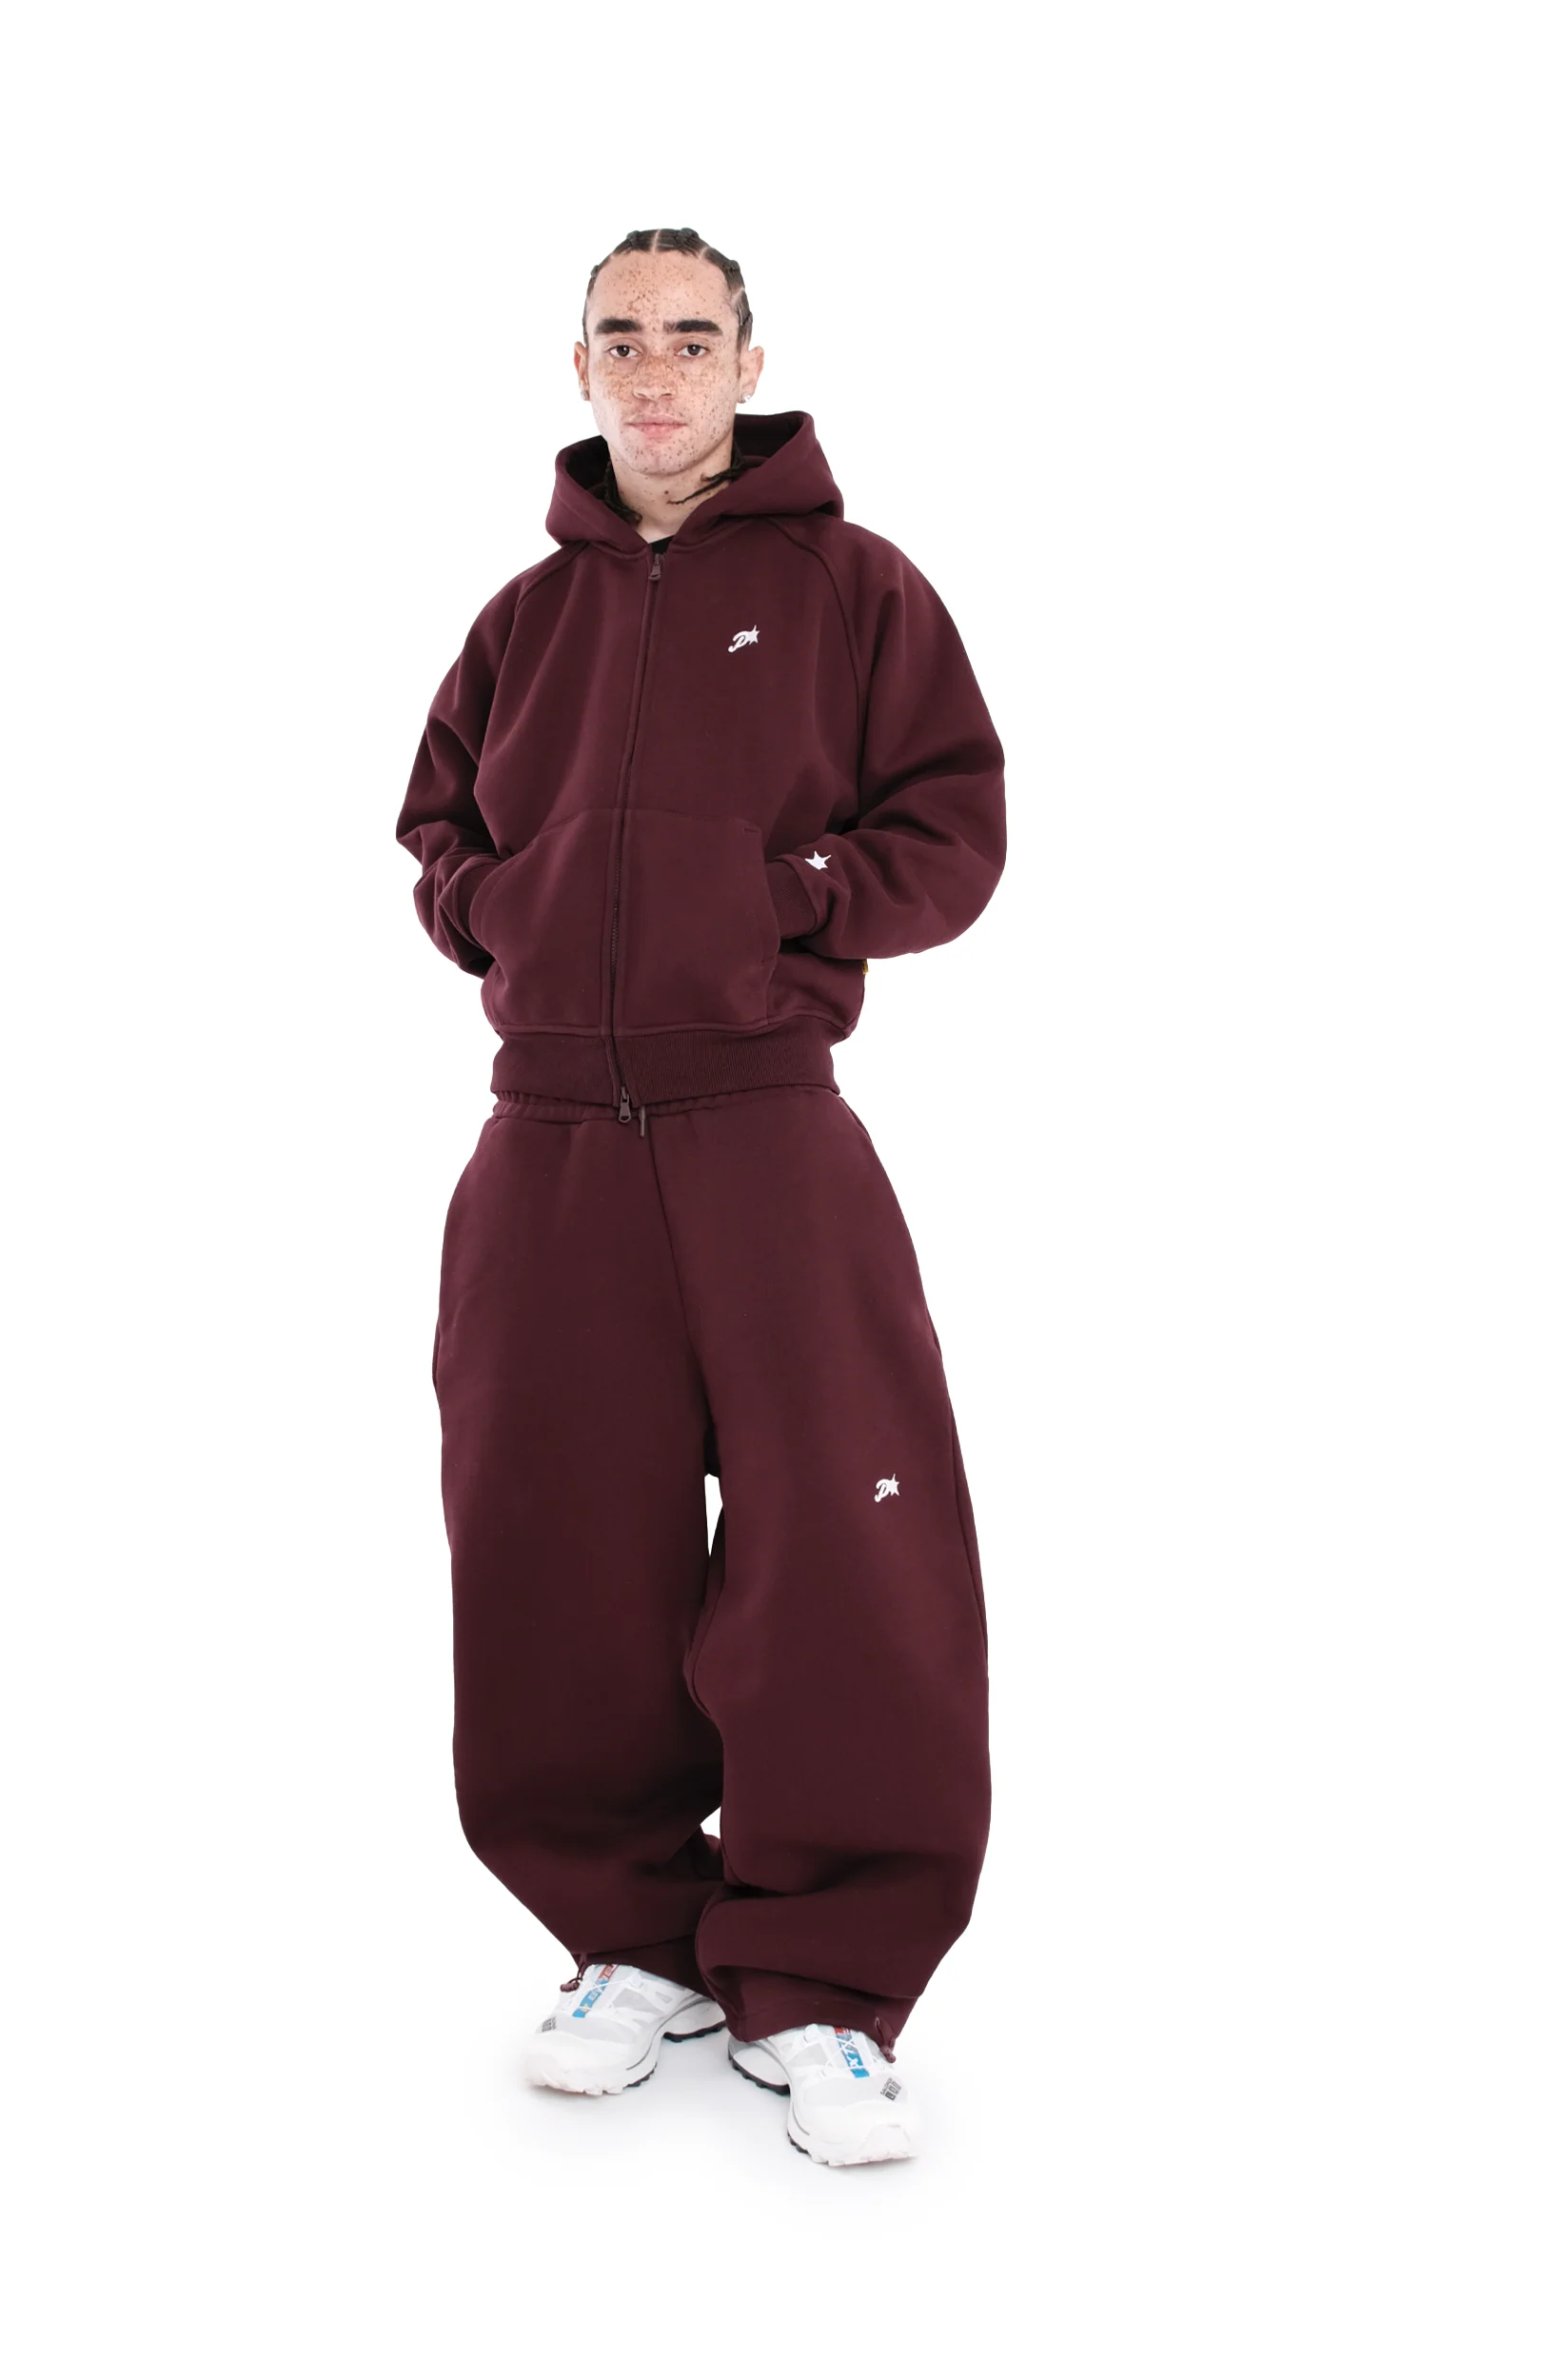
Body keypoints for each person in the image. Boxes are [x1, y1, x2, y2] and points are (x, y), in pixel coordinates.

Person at [396, 227, 1006, 2166]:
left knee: (846, 1538)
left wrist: (782, 901)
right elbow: (436, 832)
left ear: (748, 361)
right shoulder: (524, 617)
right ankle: (629, 1938)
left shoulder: (854, 586)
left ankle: (822, 1978)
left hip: (766, 1120)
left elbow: (952, 828)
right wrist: (505, 911)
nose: (653, 372)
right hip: (548, 1139)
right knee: (552, 1538)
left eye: (689, 338)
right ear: (577, 367)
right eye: (620, 339)